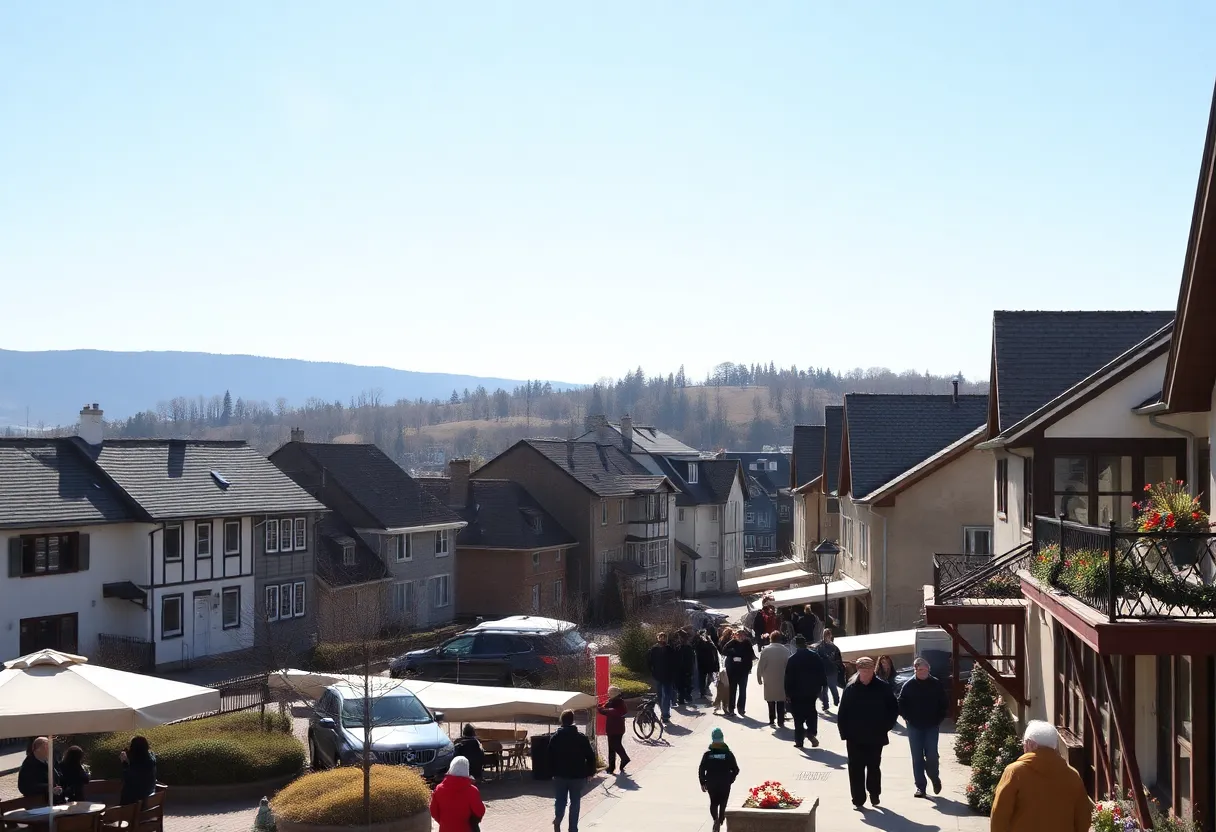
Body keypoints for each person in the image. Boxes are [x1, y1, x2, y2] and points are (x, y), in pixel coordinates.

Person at [990, 720, 1090, 832]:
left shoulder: (1015, 772)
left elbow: (1000, 814)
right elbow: (1083, 818)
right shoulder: (1072, 775)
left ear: (1030, 744)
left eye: (1024, 743)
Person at [837, 656, 899, 809]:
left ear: (873, 670)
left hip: (875, 735)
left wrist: (886, 727)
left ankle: (874, 793)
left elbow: (893, 709)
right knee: (855, 768)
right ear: (858, 670)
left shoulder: (883, 687)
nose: (865, 674)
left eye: (868, 671)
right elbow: (843, 711)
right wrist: (844, 732)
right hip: (854, 736)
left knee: (873, 766)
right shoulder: (851, 687)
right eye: (862, 671)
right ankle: (858, 799)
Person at [897, 657, 948, 798]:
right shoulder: (908, 685)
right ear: (915, 670)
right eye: (920, 670)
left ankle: (934, 777)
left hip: (932, 725)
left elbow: (944, 703)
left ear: (929, 670)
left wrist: (939, 718)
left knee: (932, 755)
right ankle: (920, 787)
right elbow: (901, 702)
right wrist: (907, 717)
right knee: (917, 757)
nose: (923, 672)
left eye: (925, 670)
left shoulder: (936, 684)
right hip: (914, 726)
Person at [548, 709, 596, 832]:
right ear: (573, 721)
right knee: (575, 802)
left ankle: (558, 818)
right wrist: (590, 772)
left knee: (560, 799)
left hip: (560, 775)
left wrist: (552, 772)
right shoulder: (581, 738)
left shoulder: (555, 738)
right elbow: (590, 756)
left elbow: (549, 757)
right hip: (577, 775)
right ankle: (573, 828)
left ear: (562, 721)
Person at [784, 635, 827, 748]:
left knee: (798, 717)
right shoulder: (814, 656)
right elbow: (821, 672)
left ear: (796, 645)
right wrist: (822, 686)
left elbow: (788, 678)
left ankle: (799, 741)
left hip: (796, 693)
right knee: (811, 712)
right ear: (805, 644)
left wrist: (787, 693)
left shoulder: (792, 659)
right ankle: (811, 732)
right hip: (811, 691)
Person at [698, 727, 740, 832]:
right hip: (724, 782)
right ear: (722, 739)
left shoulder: (707, 754)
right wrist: (731, 779)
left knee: (713, 802)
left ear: (712, 739)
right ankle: (721, 819)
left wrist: (703, 782)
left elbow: (702, 769)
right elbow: (736, 769)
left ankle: (715, 819)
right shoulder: (728, 754)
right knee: (723, 802)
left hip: (711, 782)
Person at [429, 756, 486, 832]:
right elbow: (480, 812)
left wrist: (444, 822)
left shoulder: (439, 789)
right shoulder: (472, 790)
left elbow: (433, 811)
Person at [756, 632, 791, 728]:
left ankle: (772, 719)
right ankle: (781, 720)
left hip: (769, 679)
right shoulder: (786, 651)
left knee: (770, 699)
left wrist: (759, 677)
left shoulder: (766, 650)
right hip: (782, 679)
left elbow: (761, 665)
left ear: (771, 639)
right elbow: (789, 666)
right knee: (781, 700)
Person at [720, 628, 756, 717]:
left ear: (745, 636)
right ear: (735, 636)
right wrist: (733, 654)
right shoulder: (732, 643)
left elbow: (751, 655)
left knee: (742, 691)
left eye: (742, 635)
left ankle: (741, 708)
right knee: (732, 690)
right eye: (738, 635)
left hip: (743, 671)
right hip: (732, 670)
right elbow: (724, 651)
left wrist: (744, 660)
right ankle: (731, 709)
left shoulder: (747, 643)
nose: (740, 637)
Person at [18, 737, 62, 804]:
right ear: (38, 749)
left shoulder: (50, 759)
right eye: (47, 747)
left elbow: (58, 774)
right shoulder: (29, 765)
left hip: (56, 799)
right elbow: (26, 787)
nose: (50, 750)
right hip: (38, 803)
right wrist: (49, 788)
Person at [597, 686, 630, 774]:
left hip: (615, 728)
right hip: (615, 727)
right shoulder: (614, 701)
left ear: (615, 693)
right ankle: (611, 767)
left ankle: (624, 758)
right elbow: (604, 709)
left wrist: (601, 709)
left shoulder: (618, 702)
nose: (608, 694)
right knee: (613, 746)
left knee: (614, 745)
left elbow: (611, 711)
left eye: (610, 692)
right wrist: (600, 707)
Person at [118, 735, 158, 807]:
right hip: (148, 797)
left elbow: (128, 780)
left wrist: (124, 763)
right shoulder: (150, 759)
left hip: (136, 803)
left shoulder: (139, 764)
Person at [813, 629, 845, 713]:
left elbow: (838, 659)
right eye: (826, 635)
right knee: (825, 689)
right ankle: (826, 705)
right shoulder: (821, 646)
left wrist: (839, 667)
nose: (827, 637)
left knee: (832, 687)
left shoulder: (832, 647)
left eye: (828, 635)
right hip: (826, 670)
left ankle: (835, 700)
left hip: (830, 670)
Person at [647, 631, 676, 721]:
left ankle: (665, 714)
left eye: (664, 638)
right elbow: (649, 662)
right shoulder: (653, 650)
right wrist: (652, 672)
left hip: (667, 676)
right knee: (660, 696)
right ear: (658, 638)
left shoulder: (670, 649)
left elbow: (675, 662)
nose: (663, 639)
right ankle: (663, 712)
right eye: (661, 637)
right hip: (658, 676)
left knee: (666, 695)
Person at [695, 629, 720, 699]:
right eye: (703, 634)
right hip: (702, 663)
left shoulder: (709, 641)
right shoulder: (698, 642)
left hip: (710, 662)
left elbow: (714, 649)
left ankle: (706, 688)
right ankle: (702, 692)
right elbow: (698, 649)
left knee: (710, 676)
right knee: (702, 678)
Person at [677, 631, 697, 708]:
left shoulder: (688, 648)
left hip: (686, 669)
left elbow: (691, 660)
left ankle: (686, 696)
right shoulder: (678, 647)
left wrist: (690, 669)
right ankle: (682, 698)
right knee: (681, 684)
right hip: (680, 669)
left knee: (687, 684)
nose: (680, 639)